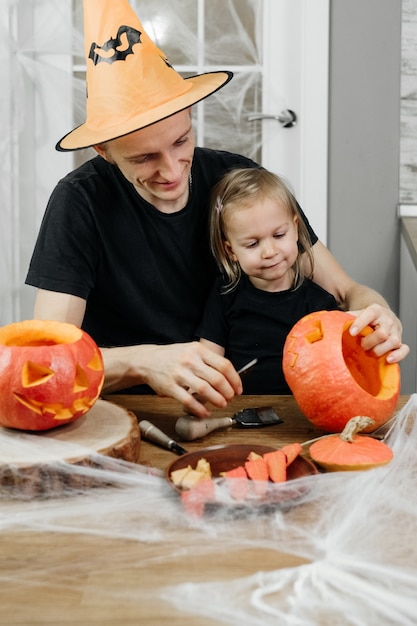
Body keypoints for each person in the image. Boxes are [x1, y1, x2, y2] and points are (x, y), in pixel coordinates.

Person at [26, 0, 408, 419]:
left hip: (232, 409)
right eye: (143, 159)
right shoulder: (79, 201)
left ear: (190, 115)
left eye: (181, 141)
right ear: (104, 151)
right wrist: (143, 362)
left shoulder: (237, 178)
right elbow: (50, 362)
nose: (171, 171)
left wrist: (380, 314)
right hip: (122, 412)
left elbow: (346, 291)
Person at [197, 168, 340, 394]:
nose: (269, 252)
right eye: (253, 244)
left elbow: (334, 367)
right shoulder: (225, 294)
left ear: (295, 229)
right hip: (240, 408)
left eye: (278, 235)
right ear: (231, 250)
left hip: (301, 410)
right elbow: (209, 356)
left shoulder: (319, 304)